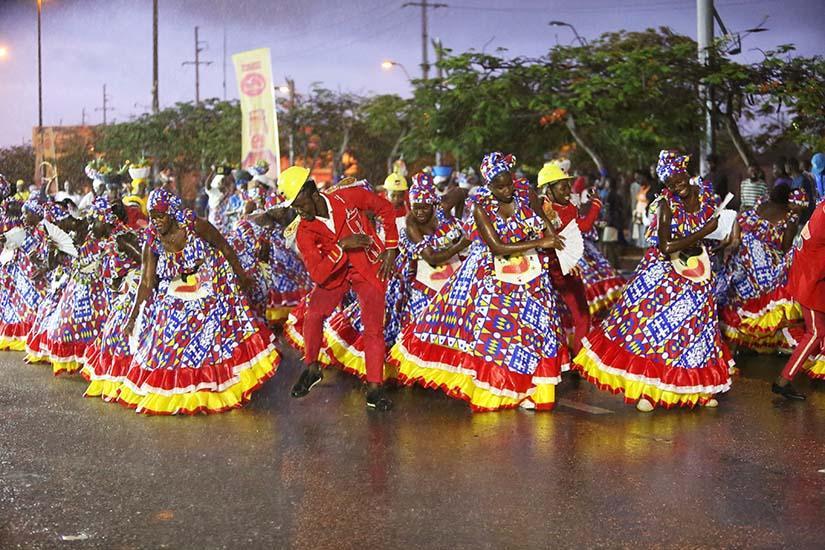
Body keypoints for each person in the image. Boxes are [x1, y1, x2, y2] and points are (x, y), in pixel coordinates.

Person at [389, 152, 569, 412]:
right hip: (493, 276)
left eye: (509, 183)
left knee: (540, 329)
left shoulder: (525, 195)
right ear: (488, 185)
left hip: (531, 275)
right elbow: (497, 247)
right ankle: (501, 390)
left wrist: (552, 240)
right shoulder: (480, 207)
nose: (506, 190)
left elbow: (543, 223)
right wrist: (540, 242)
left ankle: (538, 391)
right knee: (497, 333)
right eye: (499, 186)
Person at [573, 150, 732, 412]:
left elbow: (707, 233)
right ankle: (649, 389)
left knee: (697, 331)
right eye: (669, 183)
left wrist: (712, 242)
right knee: (658, 332)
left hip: (698, 272)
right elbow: (667, 246)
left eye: (678, 179)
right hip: (665, 277)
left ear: (686, 173)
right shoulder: (664, 204)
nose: (675, 186)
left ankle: (701, 390)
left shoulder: (705, 196)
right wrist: (704, 231)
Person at [117, 189, 279, 415]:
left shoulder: (194, 225)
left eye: (160, 215)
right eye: (152, 216)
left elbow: (223, 246)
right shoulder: (152, 240)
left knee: (213, 343)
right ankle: (181, 392)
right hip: (175, 292)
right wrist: (133, 317)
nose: (156, 221)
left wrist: (242, 276)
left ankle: (215, 388)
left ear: (172, 212)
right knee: (167, 345)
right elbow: (146, 282)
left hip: (209, 287)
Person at [321, 172, 470, 381]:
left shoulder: (444, 207)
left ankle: (453, 368)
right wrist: (464, 242)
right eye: (415, 206)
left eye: (425, 207)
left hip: (450, 272)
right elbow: (432, 258)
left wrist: (458, 219)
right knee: (419, 320)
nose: (419, 212)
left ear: (435, 204)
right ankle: (421, 371)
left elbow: (462, 192)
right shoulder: (411, 224)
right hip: (416, 275)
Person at [280, 166, 399, 411]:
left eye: (299, 203)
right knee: (313, 314)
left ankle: (375, 389)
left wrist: (391, 247)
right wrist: (341, 248)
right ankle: (312, 368)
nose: (298, 211)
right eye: (293, 207)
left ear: (310, 191)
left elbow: (385, 208)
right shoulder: (304, 231)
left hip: (367, 267)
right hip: (335, 275)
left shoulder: (347, 196)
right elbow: (318, 273)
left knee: (373, 328)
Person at [721, 184, 799, 353]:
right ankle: (767, 342)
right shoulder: (790, 216)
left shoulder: (759, 206)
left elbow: (739, 220)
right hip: (763, 264)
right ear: (788, 201)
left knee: (743, 301)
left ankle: (739, 343)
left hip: (742, 257)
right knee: (775, 295)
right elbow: (786, 247)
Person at [81, 197, 143, 401]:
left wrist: (132, 284)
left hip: (131, 292)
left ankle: (129, 382)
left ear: (106, 219)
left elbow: (146, 262)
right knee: (112, 338)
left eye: (94, 221)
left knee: (117, 335)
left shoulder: (122, 238)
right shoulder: (110, 240)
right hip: (119, 294)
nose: (91, 225)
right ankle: (123, 381)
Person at [538, 163, 596, 354]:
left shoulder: (551, 208)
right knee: (581, 316)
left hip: (558, 268)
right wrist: (596, 205)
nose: (568, 191)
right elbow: (585, 226)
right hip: (559, 270)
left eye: (568, 186)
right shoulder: (552, 210)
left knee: (574, 317)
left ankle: (568, 357)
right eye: (562, 187)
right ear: (549, 189)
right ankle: (575, 358)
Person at [772, 197, 825, 400]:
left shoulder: (822, 207)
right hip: (811, 280)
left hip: (810, 276)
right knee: (816, 332)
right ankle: (783, 380)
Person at [0, 197, 49, 350]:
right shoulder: (27, 230)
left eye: (26, 213)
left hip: (38, 277)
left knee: (35, 305)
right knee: (23, 306)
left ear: (36, 213)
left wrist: (42, 265)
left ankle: (33, 334)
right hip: (24, 276)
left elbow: (47, 253)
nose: (23, 217)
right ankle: (24, 333)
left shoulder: (43, 231)